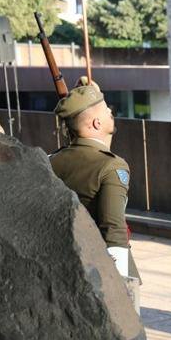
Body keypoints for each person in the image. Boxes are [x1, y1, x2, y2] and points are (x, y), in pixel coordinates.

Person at [50, 81, 138, 282]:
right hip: (98, 269)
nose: (111, 114)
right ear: (97, 123)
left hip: (61, 264)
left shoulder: (49, 161)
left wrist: (93, 93)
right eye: (108, 111)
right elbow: (113, 230)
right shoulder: (111, 167)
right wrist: (119, 283)